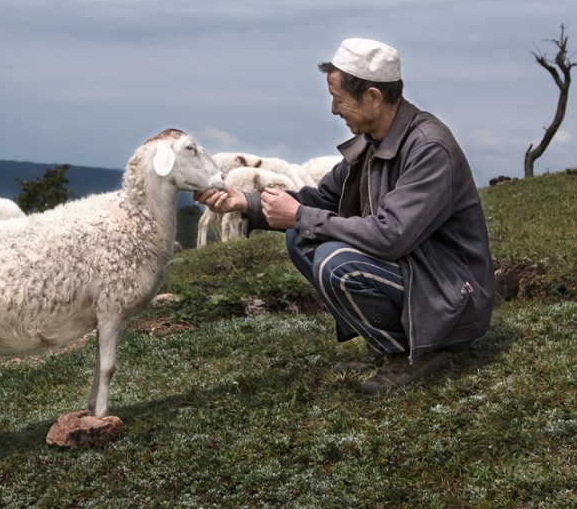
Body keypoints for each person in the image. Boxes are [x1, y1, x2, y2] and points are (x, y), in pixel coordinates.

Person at [195, 37, 495, 394]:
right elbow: (322, 199)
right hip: (420, 276)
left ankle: (416, 354)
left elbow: (391, 235)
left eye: (339, 99)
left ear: (372, 97)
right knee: (302, 238)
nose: (334, 110)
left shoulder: (428, 148)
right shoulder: (373, 142)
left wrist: (301, 215)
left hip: (454, 298)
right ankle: (392, 342)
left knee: (334, 261)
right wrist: (245, 202)